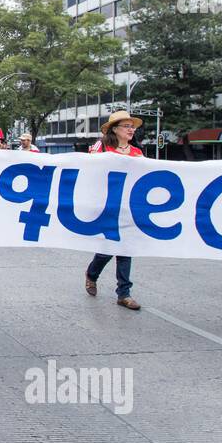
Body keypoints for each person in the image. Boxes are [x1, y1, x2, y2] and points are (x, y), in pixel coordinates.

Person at [84, 110, 144, 310]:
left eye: (132, 126)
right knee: (109, 247)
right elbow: (90, 171)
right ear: (115, 129)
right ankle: (92, 274)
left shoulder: (137, 153)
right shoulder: (102, 149)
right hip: (107, 205)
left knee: (125, 248)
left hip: (128, 207)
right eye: (126, 126)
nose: (131, 130)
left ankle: (124, 293)